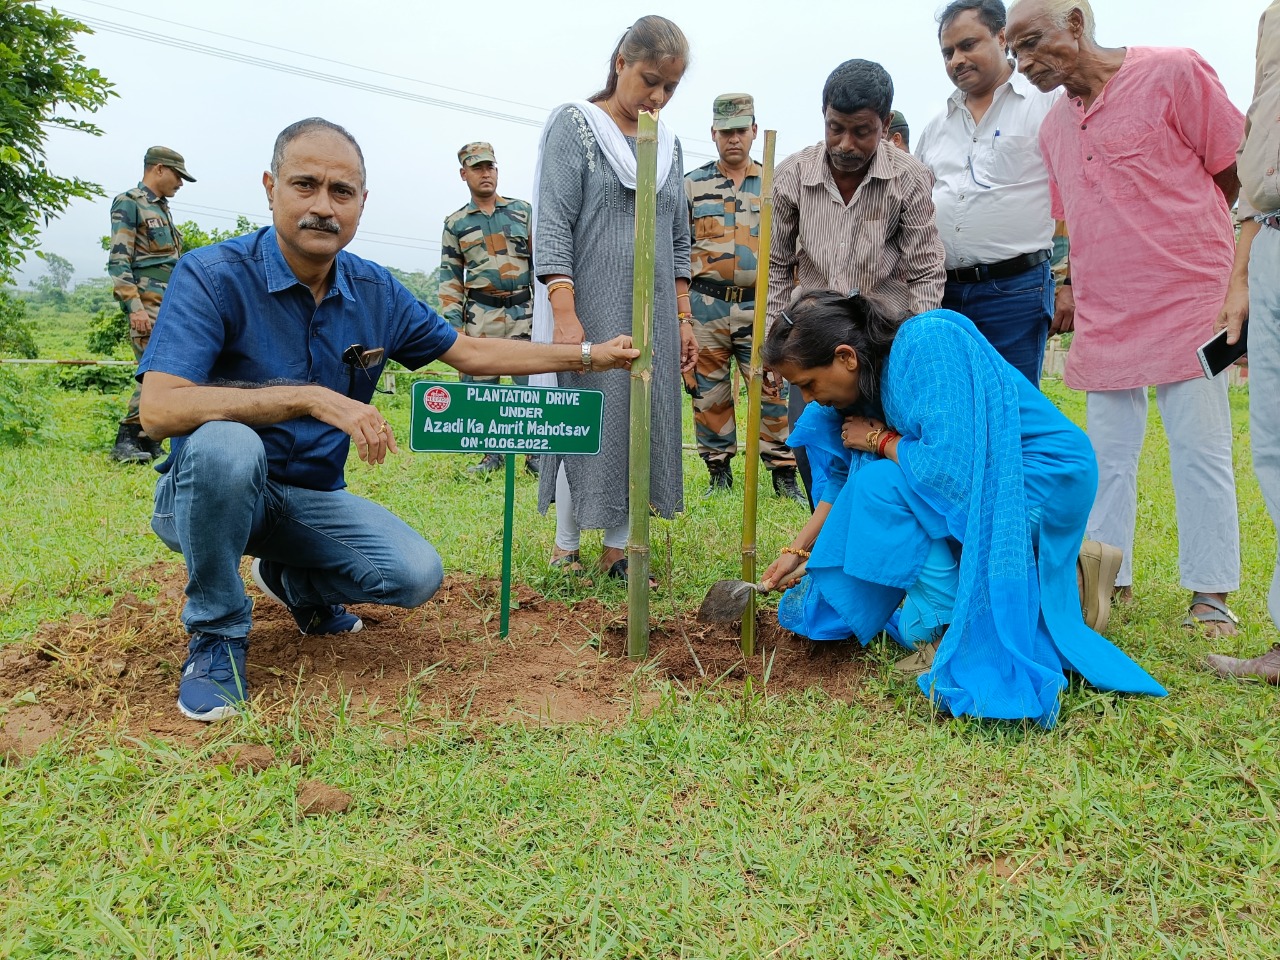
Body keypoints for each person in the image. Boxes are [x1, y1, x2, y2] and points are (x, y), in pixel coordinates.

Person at [136, 118, 638, 722]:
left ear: (362, 203)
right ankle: (216, 637)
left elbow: (471, 352)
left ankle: (294, 584)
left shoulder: (375, 291)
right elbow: (160, 409)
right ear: (271, 187)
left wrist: (589, 354)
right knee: (225, 446)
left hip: (307, 499)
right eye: (305, 185)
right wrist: (309, 397)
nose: (323, 206)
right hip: (203, 496)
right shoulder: (213, 276)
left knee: (413, 574)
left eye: (341, 192)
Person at [760, 292, 1165, 727]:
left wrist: (880, 441)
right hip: (1001, 481)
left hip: (1044, 478)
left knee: (880, 487)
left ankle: (948, 629)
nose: (808, 398)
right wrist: (800, 548)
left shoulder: (927, 345)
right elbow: (842, 477)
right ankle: (1069, 572)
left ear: (845, 357)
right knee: (876, 484)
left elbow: (949, 468)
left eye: (807, 384)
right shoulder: (863, 383)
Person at [1007, 0, 1245, 636]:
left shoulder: (1173, 72)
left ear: (1078, 22)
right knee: (1104, 456)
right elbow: (1073, 219)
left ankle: (1210, 597)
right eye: (1015, 52)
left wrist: (1214, 264)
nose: (1023, 63)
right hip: (1107, 311)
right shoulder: (1053, 128)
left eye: (1032, 43)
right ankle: (1106, 583)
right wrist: (1072, 285)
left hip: (1196, 299)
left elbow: (1231, 173)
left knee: (1201, 447)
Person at [530, 15, 697, 581]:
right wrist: (564, 313)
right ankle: (568, 541)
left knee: (641, 413)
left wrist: (683, 318)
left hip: (652, 313)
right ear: (620, 63)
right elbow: (552, 224)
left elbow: (679, 240)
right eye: (650, 79)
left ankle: (621, 547)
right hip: (587, 305)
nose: (658, 96)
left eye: (671, 87)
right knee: (585, 415)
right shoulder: (575, 127)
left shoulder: (667, 144)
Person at [769, 58, 946, 508]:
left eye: (861, 131)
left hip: (882, 347)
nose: (845, 144)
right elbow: (774, 266)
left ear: (885, 124)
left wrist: (916, 354)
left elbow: (926, 270)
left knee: (880, 461)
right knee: (815, 456)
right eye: (835, 128)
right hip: (810, 343)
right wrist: (773, 349)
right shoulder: (792, 176)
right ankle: (828, 554)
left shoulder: (909, 178)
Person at [914, 0, 1068, 385]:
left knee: (1012, 406)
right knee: (953, 406)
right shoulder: (936, 126)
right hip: (943, 292)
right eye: (948, 52)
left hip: (1015, 292)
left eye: (968, 45)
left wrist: (1072, 286)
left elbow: (1079, 196)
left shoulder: (1046, 103)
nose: (956, 60)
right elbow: (914, 206)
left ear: (1002, 37)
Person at [1206, 1, 1280, 685]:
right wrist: (1242, 271)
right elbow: (1260, 155)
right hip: (1274, 240)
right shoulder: (1272, 19)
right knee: (1275, 449)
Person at [684, 93, 803, 502]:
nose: (733, 139)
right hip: (707, 304)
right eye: (725, 132)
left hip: (762, 303)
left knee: (773, 386)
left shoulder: (776, 182)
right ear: (713, 134)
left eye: (741, 130)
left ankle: (783, 474)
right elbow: (677, 251)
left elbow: (796, 243)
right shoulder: (692, 185)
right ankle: (719, 472)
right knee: (710, 391)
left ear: (755, 131)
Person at [437, 141, 538, 476]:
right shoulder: (456, 223)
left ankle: (534, 455)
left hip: (523, 314)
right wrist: (454, 329)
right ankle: (490, 456)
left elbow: (541, 266)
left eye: (490, 167)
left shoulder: (522, 212)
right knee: (482, 393)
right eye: (477, 167)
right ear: (463, 173)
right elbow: (450, 277)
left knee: (530, 388)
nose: (485, 173)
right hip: (481, 315)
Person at [107, 146, 195, 463]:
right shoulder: (130, 202)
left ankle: (146, 439)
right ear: (158, 169)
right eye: (177, 175)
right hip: (146, 302)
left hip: (168, 302)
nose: (181, 183)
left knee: (164, 370)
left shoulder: (162, 209)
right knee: (154, 372)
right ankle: (126, 441)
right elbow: (118, 262)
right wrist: (136, 309)